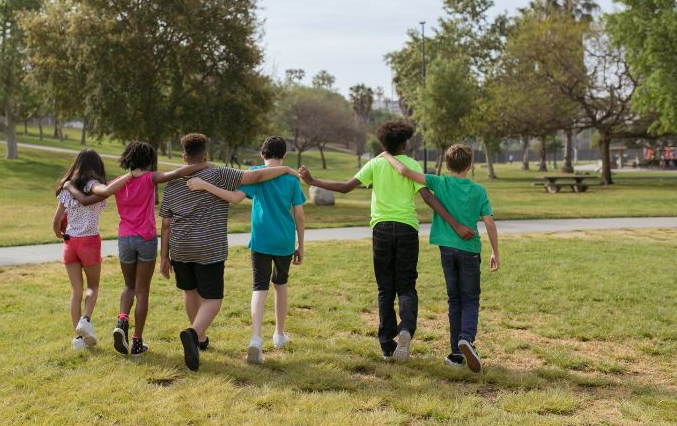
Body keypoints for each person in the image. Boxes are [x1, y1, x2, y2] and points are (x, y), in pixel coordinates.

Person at [299, 120, 475, 363]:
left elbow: (345, 187)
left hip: (381, 229)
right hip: (406, 229)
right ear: (404, 143)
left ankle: (386, 345)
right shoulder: (411, 164)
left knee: (385, 287)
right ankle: (405, 329)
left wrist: (312, 181)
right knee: (406, 285)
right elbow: (428, 198)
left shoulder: (375, 164)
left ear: (383, 142)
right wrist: (455, 224)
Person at [159, 133, 298, 371]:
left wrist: (164, 256)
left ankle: (200, 340)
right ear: (205, 155)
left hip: (180, 248)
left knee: (189, 291)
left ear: (184, 157)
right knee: (213, 299)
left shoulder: (173, 184)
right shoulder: (220, 174)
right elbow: (259, 175)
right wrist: (285, 169)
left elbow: (165, 223)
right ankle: (194, 333)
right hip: (209, 247)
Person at [65, 142, 208, 356]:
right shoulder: (150, 178)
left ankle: (122, 321)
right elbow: (177, 173)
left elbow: (88, 199)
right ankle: (137, 341)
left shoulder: (118, 183)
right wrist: (203, 166)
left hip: (125, 239)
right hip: (146, 239)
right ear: (148, 159)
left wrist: (69, 186)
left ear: (127, 158)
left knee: (128, 286)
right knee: (142, 292)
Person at [381, 144, 499, 373]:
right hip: (470, 251)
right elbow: (490, 222)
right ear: (470, 165)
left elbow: (404, 172)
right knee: (470, 299)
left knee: (454, 299)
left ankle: (456, 354)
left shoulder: (439, 182)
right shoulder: (479, 191)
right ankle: (466, 338)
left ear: (447, 165)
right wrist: (495, 251)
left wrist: (387, 154)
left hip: (446, 250)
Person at [52, 149, 112, 350]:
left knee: (75, 291)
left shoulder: (67, 189)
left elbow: (56, 220)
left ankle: (78, 339)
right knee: (92, 287)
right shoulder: (95, 186)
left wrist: (60, 234)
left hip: (70, 243)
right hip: (89, 241)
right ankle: (85, 320)